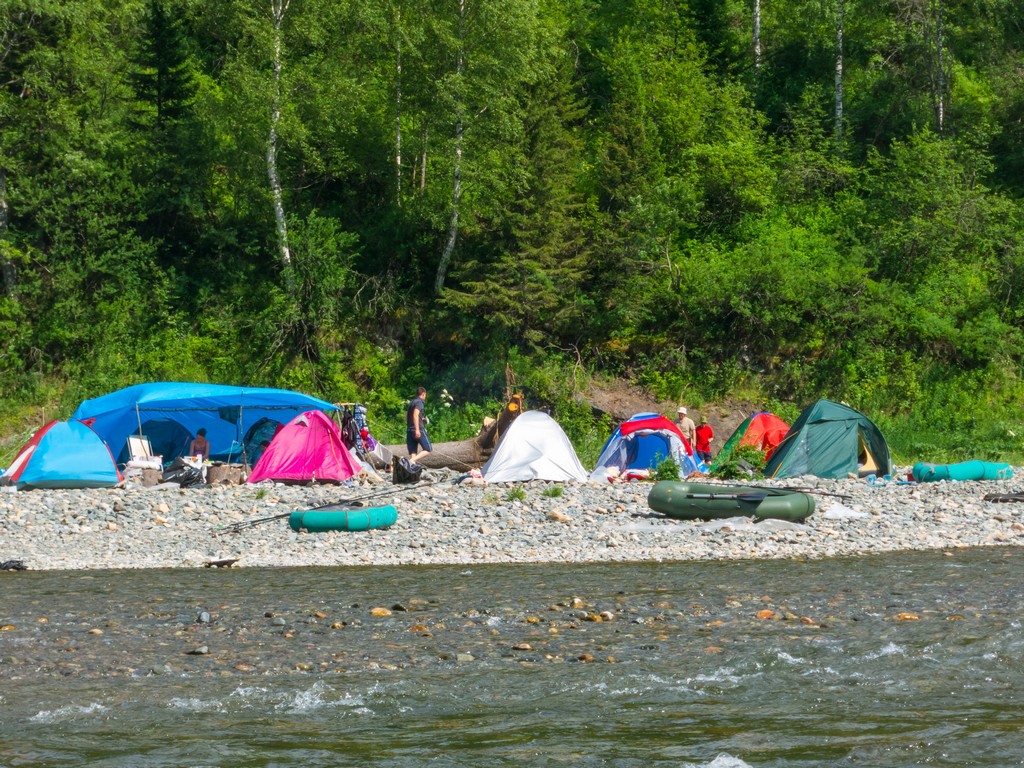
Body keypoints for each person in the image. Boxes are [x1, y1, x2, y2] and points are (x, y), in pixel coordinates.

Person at [405, 387, 432, 464]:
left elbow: (407, 416)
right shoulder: (419, 402)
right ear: (423, 394)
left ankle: (412, 469)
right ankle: (412, 461)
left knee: (413, 452)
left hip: (409, 430)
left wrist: (422, 419)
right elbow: (415, 415)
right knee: (428, 449)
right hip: (418, 429)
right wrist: (417, 429)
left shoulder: (411, 402)